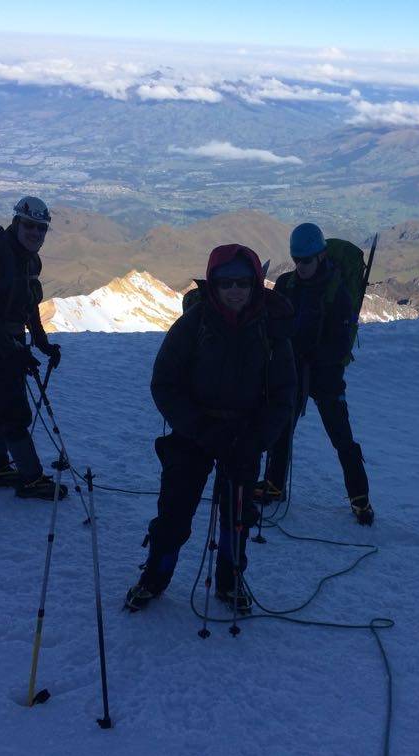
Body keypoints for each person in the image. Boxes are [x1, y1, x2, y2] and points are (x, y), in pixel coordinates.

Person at [125, 244, 296, 613]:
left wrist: (255, 439)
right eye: (225, 282)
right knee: (174, 510)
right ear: (213, 285)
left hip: (244, 435)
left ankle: (230, 581)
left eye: (243, 282)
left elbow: (284, 394)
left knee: (237, 517)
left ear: (254, 284)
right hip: (194, 434)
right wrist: (199, 428)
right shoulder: (194, 325)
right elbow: (165, 384)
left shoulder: (270, 329)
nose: (235, 290)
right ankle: (154, 577)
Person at [254, 223, 375, 525]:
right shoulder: (286, 285)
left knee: (341, 436)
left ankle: (360, 498)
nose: (301, 266)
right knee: (281, 428)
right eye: (297, 260)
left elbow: (339, 344)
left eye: (306, 260)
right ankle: (274, 486)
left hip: (324, 375)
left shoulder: (338, 293)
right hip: (294, 369)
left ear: (320, 256)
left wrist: (308, 358)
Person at [0, 195, 66, 500]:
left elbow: (29, 304)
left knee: (1, 402)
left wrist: (42, 344)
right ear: (16, 222)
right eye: (30, 226)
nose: (35, 233)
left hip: (8, 343)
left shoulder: (28, 259)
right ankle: (31, 479)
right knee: (14, 410)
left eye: (41, 228)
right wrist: (13, 351)